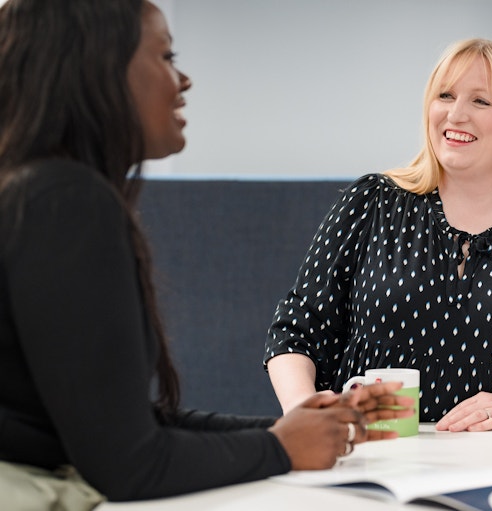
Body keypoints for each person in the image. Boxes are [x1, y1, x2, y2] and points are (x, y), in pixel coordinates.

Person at [0, 0, 412, 506]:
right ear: (99, 66)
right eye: (167, 57)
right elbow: (130, 463)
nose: (184, 80)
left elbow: (130, 425)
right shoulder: (67, 202)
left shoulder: (36, 191)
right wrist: (279, 448)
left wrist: (299, 429)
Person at [264, 38, 492, 432]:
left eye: (481, 101)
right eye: (445, 95)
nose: (455, 114)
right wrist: (304, 415)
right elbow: (297, 331)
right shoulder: (371, 202)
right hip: (375, 454)